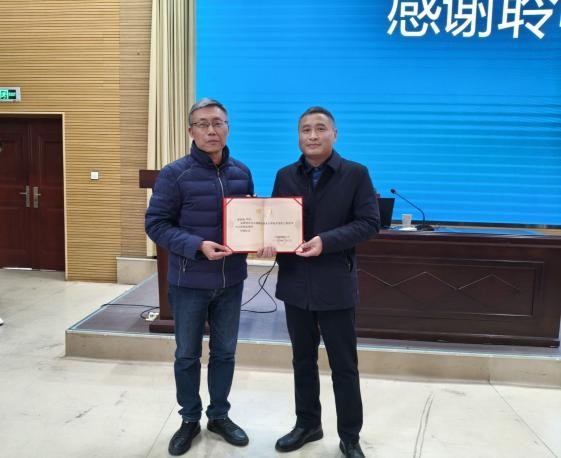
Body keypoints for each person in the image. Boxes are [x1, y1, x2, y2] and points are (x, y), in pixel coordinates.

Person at [258, 107, 380, 458]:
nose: (312, 135)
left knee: (344, 365)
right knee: (302, 360)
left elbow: (369, 223)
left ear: (334, 134)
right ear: (298, 136)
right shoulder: (285, 175)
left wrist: (326, 241)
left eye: (320, 128)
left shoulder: (355, 174)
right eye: (305, 129)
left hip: (335, 283)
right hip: (295, 283)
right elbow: (276, 223)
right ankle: (308, 424)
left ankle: (350, 435)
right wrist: (267, 241)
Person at [145, 98, 253, 456]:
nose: (211, 130)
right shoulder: (174, 174)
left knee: (225, 353)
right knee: (187, 356)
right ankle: (189, 418)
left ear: (228, 128)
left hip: (231, 281)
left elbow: (249, 221)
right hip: (188, 281)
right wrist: (197, 245)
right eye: (203, 124)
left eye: (218, 123)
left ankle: (219, 416)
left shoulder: (242, 172)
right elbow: (156, 224)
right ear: (191, 131)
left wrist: (260, 239)